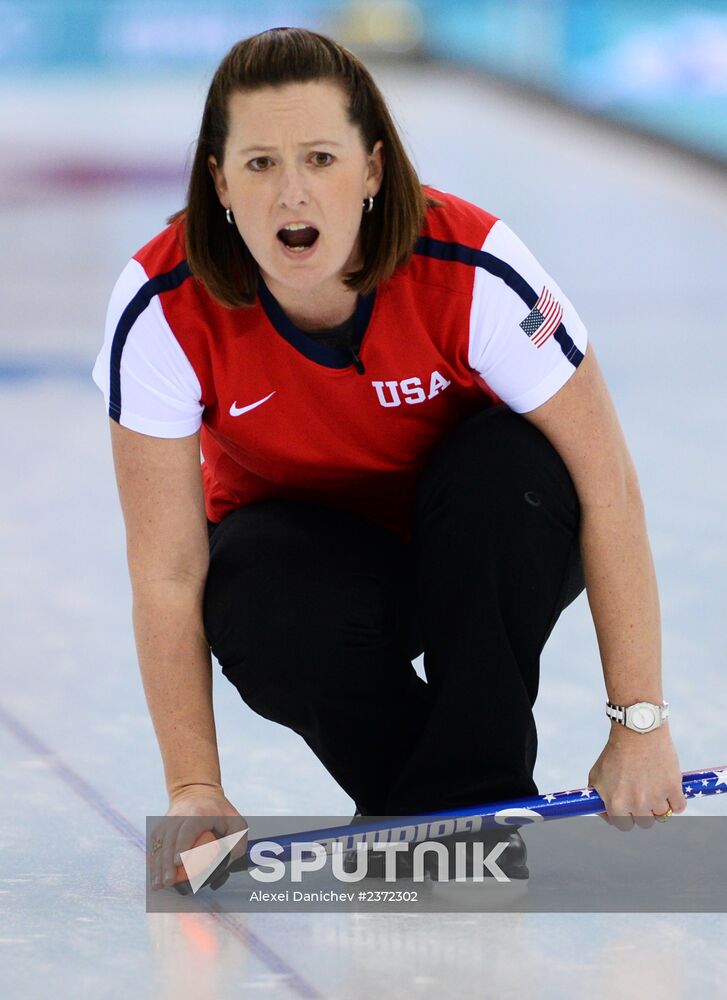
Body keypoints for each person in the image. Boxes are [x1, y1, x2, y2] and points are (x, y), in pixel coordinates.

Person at [92, 27, 687, 892]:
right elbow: (169, 572)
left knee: (503, 469)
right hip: (320, 575)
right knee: (250, 587)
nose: (292, 192)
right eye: (259, 164)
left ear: (372, 170)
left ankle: (455, 800)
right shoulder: (160, 305)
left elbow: (609, 489)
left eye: (321, 158)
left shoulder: (473, 264)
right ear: (217, 180)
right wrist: (194, 786)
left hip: (488, 546)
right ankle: (454, 802)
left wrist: (638, 725)